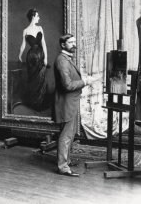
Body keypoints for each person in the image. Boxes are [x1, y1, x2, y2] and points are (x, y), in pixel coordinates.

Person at [54, 34, 96, 177]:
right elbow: (67, 85)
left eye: (74, 41)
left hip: (71, 101)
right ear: (63, 45)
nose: (73, 44)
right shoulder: (62, 61)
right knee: (66, 135)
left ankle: (66, 160)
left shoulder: (67, 59)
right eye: (70, 42)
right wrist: (85, 81)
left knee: (70, 134)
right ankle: (63, 167)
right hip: (66, 103)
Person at [18, 8, 48, 111]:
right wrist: (20, 55)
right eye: (38, 16)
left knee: (41, 78)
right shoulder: (25, 30)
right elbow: (23, 45)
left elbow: (43, 43)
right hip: (31, 57)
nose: (39, 18)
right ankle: (33, 102)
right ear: (33, 16)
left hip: (40, 55)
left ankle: (39, 102)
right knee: (32, 79)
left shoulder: (40, 28)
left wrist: (46, 58)